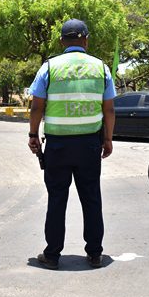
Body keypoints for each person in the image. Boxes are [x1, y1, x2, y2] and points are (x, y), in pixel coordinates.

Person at [28, 18, 116, 270]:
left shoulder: (49, 67)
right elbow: (109, 109)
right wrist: (108, 139)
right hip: (89, 145)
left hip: (57, 146)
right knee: (91, 198)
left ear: (61, 41)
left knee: (57, 199)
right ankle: (95, 254)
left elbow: (37, 106)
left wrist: (33, 134)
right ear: (86, 40)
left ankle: (52, 255)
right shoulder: (101, 68)